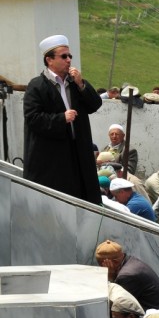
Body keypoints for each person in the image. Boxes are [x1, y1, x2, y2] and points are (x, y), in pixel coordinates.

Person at [23, 34, 103, 205]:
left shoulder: (75, 83)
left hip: (78, 152)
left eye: (70, 56)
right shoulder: (37, 86)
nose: (69, 60)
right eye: (64, 56)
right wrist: (61, 119)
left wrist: (82, 85)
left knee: (84, 198)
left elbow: (95, 105)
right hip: (53, 157)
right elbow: (33, 118)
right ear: (49, 60)